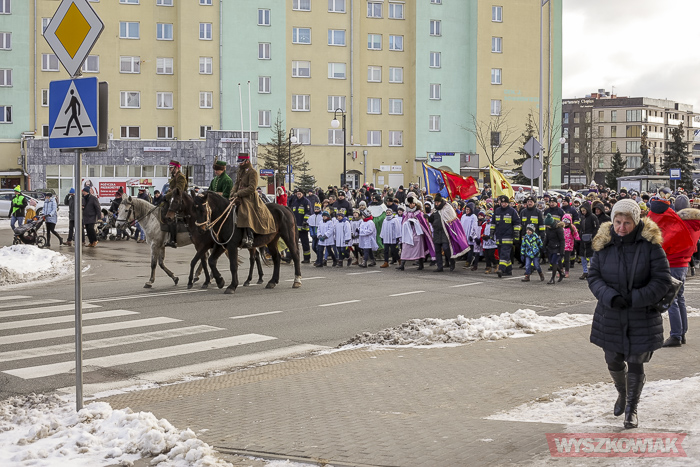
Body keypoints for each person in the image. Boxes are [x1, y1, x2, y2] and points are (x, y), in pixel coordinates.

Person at [588, 199, 672, 429]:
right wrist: (611, 297)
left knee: (636, 361)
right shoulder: (603, 245)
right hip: (611, 314)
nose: (621, 227)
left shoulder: (651, 246)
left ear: (636, 222)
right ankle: (623, 393)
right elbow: (594, 277)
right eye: (618, 222)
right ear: (612, 221)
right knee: (613, 359)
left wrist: (636, 298)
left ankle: (631, 409)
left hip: (641, 315)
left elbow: (662, 280)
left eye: (627, 222)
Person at [648, 195, 700, 347]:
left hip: (673, 263)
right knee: (680, 298)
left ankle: (676, 335)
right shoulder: (694, 223)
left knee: (671, 300)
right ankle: (682, 333)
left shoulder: (679, 223)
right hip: (683, 263)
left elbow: (666, 242)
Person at [229, 153, 276, 249]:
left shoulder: (252, 172)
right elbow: (236, 183)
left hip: (249, 197)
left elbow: (252, 188)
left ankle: (250, 236)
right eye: (239, 162)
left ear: (247, 161)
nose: (240, 164)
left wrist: (239, 193)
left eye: (241, 162)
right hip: (239, 195)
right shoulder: (240, 171)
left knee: (245, 212)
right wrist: (233, 192)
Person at [396, 194, 434, 271]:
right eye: (410, 203)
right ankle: (402, 265)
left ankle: (421, 264)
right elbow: (403, 222)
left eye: (413, 203)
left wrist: (415, 222)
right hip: (408, 233)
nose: (411, 205)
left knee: (419, 249)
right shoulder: (405, 213)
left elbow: (423, 223)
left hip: (417, 233)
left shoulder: (419, 213)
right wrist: (407, 223)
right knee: (405, 248)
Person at [492, 195, 521, 278]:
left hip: (508, 236)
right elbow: (493, 223)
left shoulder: (512, 211)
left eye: (505, 203)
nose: (504, 204)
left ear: (508, 203)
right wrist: (491, 232)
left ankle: (501, 269)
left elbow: (517, 223)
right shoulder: (497, 211)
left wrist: (516, 234)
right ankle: (508, 270)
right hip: (499, 236)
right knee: (502, 254)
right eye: (502, 202)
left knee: (504, 253)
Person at [164, 160, 188, 248]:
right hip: (173, 198)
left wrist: (166, 196)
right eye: (170, 167)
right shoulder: (174, 176)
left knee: (172, 217)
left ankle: (173, 240)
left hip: (180, 200)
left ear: (176, 168)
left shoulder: (181, 177)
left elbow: (178, 190)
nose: (170, 169)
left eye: (171, 167)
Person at [578, 201, 600, 280]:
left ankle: (592, 272)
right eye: (582, 211)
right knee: (583, 256)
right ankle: (585, 271)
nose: (583, 212)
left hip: (590, 239)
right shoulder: (582, 217)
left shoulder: (593, 217)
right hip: (583, 239)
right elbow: (581, 227)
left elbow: (596, 227)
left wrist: (592, 237)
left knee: (591, 256)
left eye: (584, 210)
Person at [290, 189, 312, 263]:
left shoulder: (306, 202)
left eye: (300, 194)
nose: (298, 195)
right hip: (295, 227)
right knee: (293, 243)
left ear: (303, 194)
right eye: (297, 194)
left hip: (303, 227)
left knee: (305, 243)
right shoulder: (295, 202)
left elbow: (309, 212)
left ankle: (307, 258)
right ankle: (290, 257)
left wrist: (305, 221)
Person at [543, 214, 565, 284]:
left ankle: (552, 278)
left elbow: (562, 240)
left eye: (547, 225)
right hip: (550, 247)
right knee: (552, 262)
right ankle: (561, 273)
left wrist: (562, 251)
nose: (547, 226)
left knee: (554, 262)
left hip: (557, 248)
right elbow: (546, 238)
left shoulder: (558, 229)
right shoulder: (548, 229)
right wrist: (544, 246)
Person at [562, 214, 580, 278]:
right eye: (564, 221)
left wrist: (578, 240)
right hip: (561, 245)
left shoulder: (572, 227)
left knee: (567, 260)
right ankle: (561, 271)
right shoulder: (561, 227)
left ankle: (566, 272)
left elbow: (576, 235)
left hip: (569, 246)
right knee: (560, 259)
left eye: (567, 221)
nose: (566, 223)